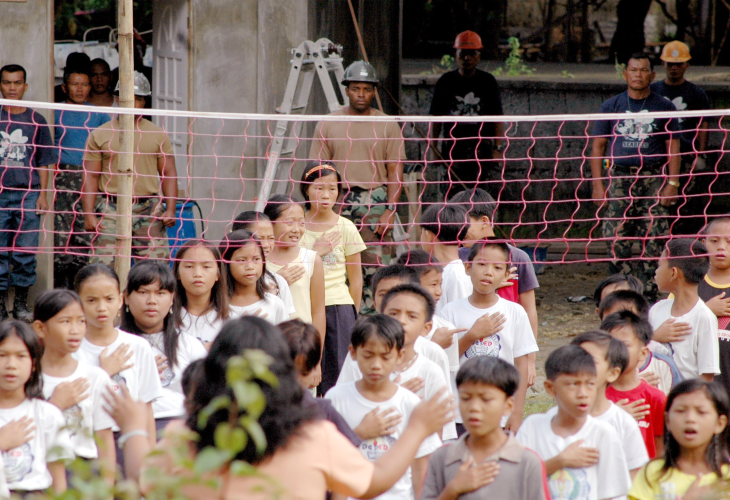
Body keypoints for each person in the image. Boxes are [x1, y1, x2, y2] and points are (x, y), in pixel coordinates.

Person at [138, 316, 455, 500]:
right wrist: (417, 428)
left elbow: (143, 483)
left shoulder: (183, 436)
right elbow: (372, 481)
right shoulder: (313, 435)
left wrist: (132, 428)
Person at [309, 60, 406, 315]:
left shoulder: (387, 124)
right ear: (347, 90)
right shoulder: (328, 123)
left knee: (376, 267)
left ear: (374, 91)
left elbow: (395, 169)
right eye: (355, 89)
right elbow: (318, 170)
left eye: (366, 89)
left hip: (375, 201)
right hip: (337, 200)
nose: (361, 94)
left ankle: (376, 322)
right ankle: (341, 319)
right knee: (335, 264)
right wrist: (318, 208)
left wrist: (391, 209)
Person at [591, 52, 680, 301]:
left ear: (652, 75)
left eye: (643, 70)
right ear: (625, 74)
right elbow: (598, 147)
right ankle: (621, 291)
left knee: (654, 235)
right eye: (633, 70)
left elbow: (674, 147)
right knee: (614, 235)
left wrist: (673, 183)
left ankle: (648, 293)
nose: (638, 75)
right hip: (619, 178)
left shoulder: (664, 106)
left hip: (653, 177)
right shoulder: (611, 106)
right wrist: (597, 185)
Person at [325, 314, 443, 500]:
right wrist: (359, 433)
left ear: (399, 356)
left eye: (385, 357)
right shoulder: (336, 399)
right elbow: (328, 456)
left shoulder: (411, 404)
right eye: (368, 356)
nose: (376, 365)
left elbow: (421, 468)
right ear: (353, 352)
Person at [337, 284, 457, 441]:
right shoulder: (359, 362)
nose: (401, 321)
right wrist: (393, 398)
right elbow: (340, 420)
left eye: (411, 316)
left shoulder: (430, 371)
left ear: (426, 328)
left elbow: (440, 433)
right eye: (394, 313)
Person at [441, 241, 538, 432]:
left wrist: (517, 412)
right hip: (459, 413)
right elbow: (443, 361)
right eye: (482, 264)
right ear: (468, 268)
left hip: (499, 413)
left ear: (506, 275)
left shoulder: (515, 312)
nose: (488, 272)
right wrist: (472, 336)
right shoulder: (450, 312)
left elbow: (521, 364)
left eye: (497, 268)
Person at [82, 71, 177, 265]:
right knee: (103, 269)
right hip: (110, 207)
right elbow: (91, 176)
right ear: (118, 99)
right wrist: (89, 213)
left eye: (139, 99)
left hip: (148, 208)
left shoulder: (158, 134)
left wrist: (171, 209)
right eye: (128, 98)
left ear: (145, 102)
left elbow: (168, 173)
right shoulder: (100, 134)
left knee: (155, 270)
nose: (133, 103)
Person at [422, 357, 550, 500]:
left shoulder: (527, 462)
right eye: (465, 398)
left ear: (508, 405)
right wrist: (452, 490)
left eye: (486, 399)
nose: (474, 407)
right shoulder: (442, 458)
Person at [516, 345, 631, 500]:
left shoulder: (604, 433)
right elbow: (515, 482)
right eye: (573, 384)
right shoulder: (532, 427)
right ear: (550, 388)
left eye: (590, 384)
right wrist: (559, 461)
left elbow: (612, 494)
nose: (583, 394)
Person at [451, 188, 540, 385]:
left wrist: (530, 360)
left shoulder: (518, 258)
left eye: (463, 223)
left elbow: (529, 310)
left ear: (484, 221)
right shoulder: (457, 259)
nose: (458, 230)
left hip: (507, 344)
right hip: (466, 344)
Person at [73, 264, 163, 455]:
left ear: (121, 300)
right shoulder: (71, 350)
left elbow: (146, 408)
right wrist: (103, 373)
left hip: (130, 439)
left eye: (109, 299)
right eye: (91, 300)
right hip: (85, 441)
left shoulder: (138, 346)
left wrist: (151, 458)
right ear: (78, 303)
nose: (102, 308)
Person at [32, 289, 116, 484]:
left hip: (83, 473)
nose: (75, 330)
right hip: (38, 471)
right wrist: (55, 405)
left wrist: (107, 490)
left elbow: (104, 438)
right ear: (40, 328)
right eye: (65, 321)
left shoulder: (95, 377)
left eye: (81, 321)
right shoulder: (26, 378)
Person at [300, 161, 367, 393]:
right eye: (319, 188)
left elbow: (356, 280)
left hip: (338, 308)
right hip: (304, 306)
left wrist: (351, 316)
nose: (326, 194)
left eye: (332, 188)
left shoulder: (346, 227)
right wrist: (315, 252)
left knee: (338, 376)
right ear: (306, 189)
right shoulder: (296, 227)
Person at [544, 331, 649, 479]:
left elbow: (633, 477)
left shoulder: (623, 423)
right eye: (576, 358)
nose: (581, 366)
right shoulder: (546, 422)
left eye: (590, 361)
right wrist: (559, 461)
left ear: (612, 373)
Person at [120, 260, 207, 436]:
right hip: (126, 427)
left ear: (172, 298)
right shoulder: (112, 344)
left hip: (180, 429)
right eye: (143, 292)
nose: (151, 301)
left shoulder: (188, 345)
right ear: (126, 297)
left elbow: (206, 394)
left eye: (160, 293)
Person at [0, 64, 58, 322]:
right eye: (7, 82)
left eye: (17, 83)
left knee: (25, 250)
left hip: (28, 194)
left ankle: (21, 304)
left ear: (25, 86)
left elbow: (45, 161)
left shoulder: (36, 120)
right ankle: (0, 306)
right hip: (1, 195)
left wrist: (43, 194)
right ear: (0, 85)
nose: (12, 88)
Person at [0, 321, 73, 495]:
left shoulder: (47, 414)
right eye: (2, 355)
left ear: (33, 364)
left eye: (21, 356)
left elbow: (58, 482)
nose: (11, 364)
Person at [53, 66, 111, 289]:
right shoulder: (55, 111)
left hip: (92, 177)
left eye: (84, 84)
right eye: (75, 84)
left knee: (86, 233)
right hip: (62, 177)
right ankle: (61, 289)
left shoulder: (99, 114)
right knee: (60, 233)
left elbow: (108, 147)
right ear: (64, 87)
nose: (80, 89)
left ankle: (80, 288)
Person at [430, 31, 505, 198]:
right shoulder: (445, 82)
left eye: (472, 54)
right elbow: (435, 118)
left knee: (481, 195)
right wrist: (433, 148)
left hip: (481, 149)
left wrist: (498, 148)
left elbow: (498, 117)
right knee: (452, 194)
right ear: (456, 55)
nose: (467, 59)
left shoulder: (488, 82)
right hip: (453, 148)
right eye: (463, 54)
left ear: (478, 56)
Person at [628, 379, 730, 500]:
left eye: (701, 412)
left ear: (720, 423)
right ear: (667, 420)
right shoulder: (652, 473)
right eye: (681, 411)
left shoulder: (727, 477)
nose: (690, 418)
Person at [650, 41, 711, 233]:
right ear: (663, 64)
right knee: (657, 201)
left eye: (678, 64)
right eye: (670, 64)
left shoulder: (696, 93)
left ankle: (686, 238)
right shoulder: (653, 91)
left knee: (687, 201)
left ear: (687, 65)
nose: (674, 68)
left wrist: (700, 154)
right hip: (658, 156)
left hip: (686, 155)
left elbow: (703, 124)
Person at [278, 319, 360, 446]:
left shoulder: (322, 411)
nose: (295, 380)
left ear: (315, 368)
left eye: (303, 372)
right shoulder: (257, 409)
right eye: (288, 371)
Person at [649, 239, 719, 380]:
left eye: (659, 265)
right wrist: (654, 336)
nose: (656, 272)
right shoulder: (656, 309)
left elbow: (706, 376)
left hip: (684, 393)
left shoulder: (704, 317)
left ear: (673, 273)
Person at [601, 311, 667, 459]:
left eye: (624, 345)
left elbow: (660, 447)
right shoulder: (595, 396)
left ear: (643, 353)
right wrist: (613, 417)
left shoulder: (655, 398)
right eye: (610, 344)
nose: (616, 351)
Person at [263, 196, 325, 339]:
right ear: (270, 223)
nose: (297, 229)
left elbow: (318, 312)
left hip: (301, 344)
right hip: (268, 341)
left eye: (302, 223)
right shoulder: (257, 260)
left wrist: (317, 350)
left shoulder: (311, 259)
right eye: (289, 222)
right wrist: (278, 281)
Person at [397, 250, 463, 384]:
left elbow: (448, 379)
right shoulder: (393, 329)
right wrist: (434, 345)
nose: (439, 292)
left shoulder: (446, 330)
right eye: (433, 284)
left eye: (440, 284)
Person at [598, 290, 680, 394]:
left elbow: (678, 399)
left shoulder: (663, 365)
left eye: (627, 316)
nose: (619, 322)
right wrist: (631, 386)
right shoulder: (597, 365)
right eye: (611, 318)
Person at [228, 210, 297, 317]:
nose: (266, 245)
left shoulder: (278, 282)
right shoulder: (218, 285)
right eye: (259, 238)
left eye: (271, 238)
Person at [218, 229, 289, 323]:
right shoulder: (216, 307)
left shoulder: (274, 304)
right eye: (242, 260)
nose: (250, 267)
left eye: (256, 259)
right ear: (226, 263)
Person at [172, 240, 230, 347]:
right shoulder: (165, 318)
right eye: (189, 266)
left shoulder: (231, 319)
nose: (197, 274)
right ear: (178, 273)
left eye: (206, 266)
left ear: (218, 274)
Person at [420, 204, 472, 314]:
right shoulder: (445, 272)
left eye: (422, 232)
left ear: (429, 235)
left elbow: (460, 320)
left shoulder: (457, 277)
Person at [699, 218, 730, 395]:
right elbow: (673, 327)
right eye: (714, 240)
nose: (721, 247)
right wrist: (706, 311)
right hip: (700, 386)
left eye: (729, 241)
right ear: (703, 244)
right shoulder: (688, 284)